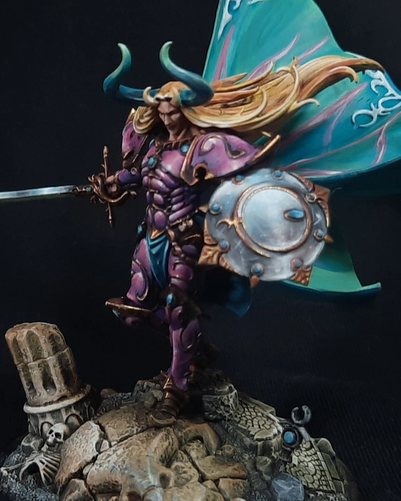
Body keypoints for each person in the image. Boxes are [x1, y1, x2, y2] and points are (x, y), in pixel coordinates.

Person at [88, 42, 380, 425]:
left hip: (183, 243)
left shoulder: (205, 146)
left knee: (178, 308)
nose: (168, 118)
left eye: (173, 111)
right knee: (131, 313)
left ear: (186, 110)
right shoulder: (154, 148)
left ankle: (177, 390)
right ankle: (195, 349)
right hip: (150, 241)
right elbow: (133, 177)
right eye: (162, 111)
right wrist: (109, 184)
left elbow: (247, 171)